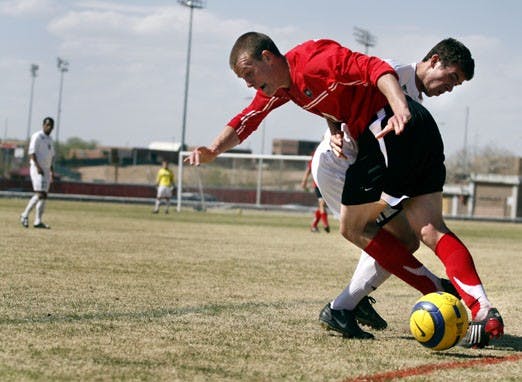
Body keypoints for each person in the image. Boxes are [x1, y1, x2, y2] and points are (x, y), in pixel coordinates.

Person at [185, 32, 503, 347]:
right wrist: (213, 148)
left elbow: (372, 68)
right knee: (418, 231)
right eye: (453, 77)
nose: (249, 84)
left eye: (250, 74)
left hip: (383, 133)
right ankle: (480, 308)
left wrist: (398, 107)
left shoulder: (312, 59)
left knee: (366, 231)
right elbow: (251, 117)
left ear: (268, 58)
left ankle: (425, 292)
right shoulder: (285, 84)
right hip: (369, 148)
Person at [311, 39, 472, 333]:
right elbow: (333, 89)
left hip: (366, 173)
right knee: (389, 237)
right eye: (452, 78)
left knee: (405, 240)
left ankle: (350, 302)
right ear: (434, 60)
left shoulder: (415, 104)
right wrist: (334, 130)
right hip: (340, 169)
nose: (449, 88)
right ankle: (344, 306)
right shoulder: (390, 74)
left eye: (456, 85)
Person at [20, 117, 55, 229]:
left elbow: (51, 156)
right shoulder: (37, 136)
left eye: (51, 125)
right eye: (47, 124)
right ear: (43, 125)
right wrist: (38, 166)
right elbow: (32, 152)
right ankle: (24, 215)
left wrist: (51, 171)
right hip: (37, 168)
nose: (49, 127)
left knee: (44, 195)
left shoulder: (50, 139)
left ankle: (38, 221)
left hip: (46, 169)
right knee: (40, 193)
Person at [301, 154, 330, 233]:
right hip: (318, 185)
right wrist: (304, 181)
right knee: (322, 204)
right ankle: (325, 225)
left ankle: (314, 225)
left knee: (321, 206)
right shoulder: (317, 154)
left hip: (328, 184)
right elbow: (308, 169)